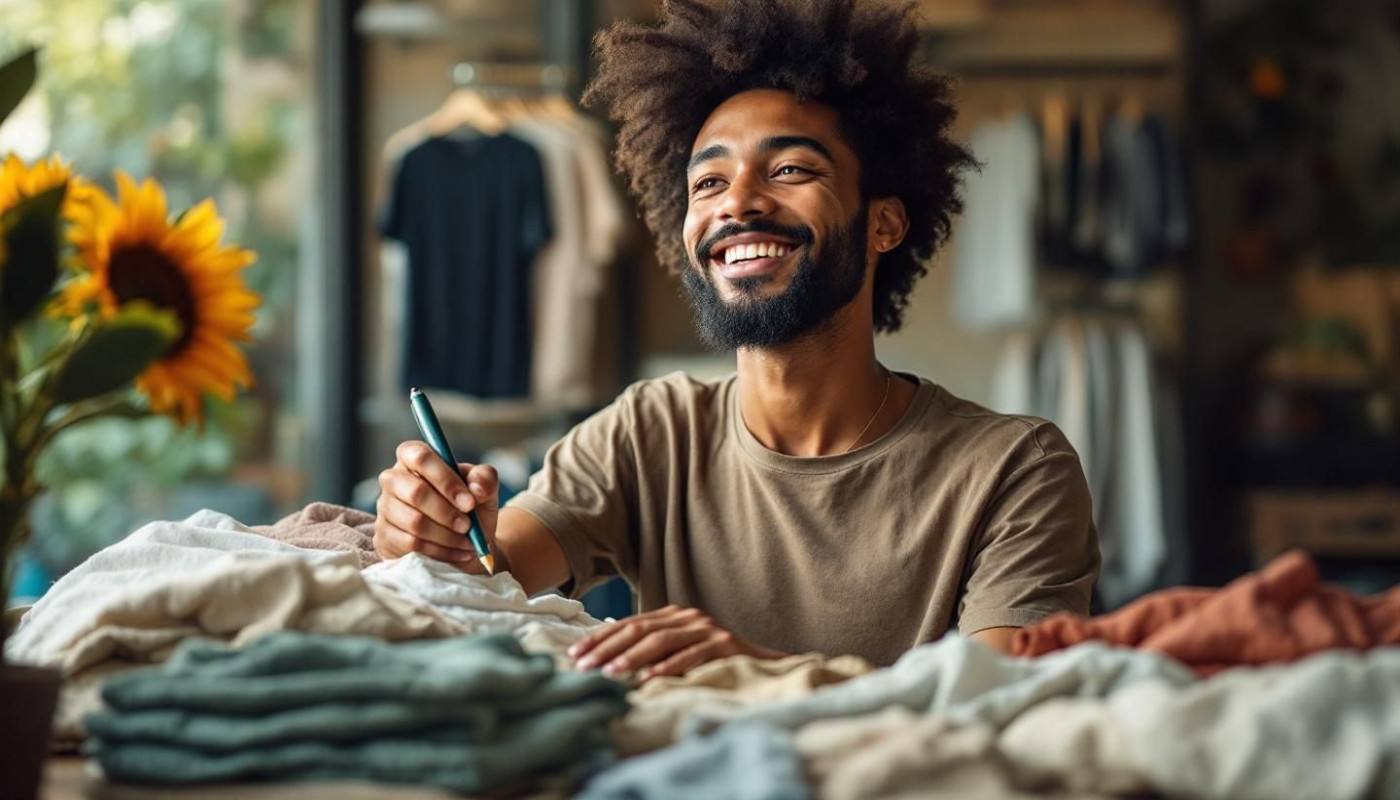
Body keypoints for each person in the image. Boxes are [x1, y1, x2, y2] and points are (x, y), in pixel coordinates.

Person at [374, 0, 1100, 679]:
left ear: (884, 224)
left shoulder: (1015, 471)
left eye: (789, 170)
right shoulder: (648, 432)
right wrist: (430, 535)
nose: (738, 203)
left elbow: (1000, 700)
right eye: (708, 183)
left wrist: (759, 673)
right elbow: (485, 577)